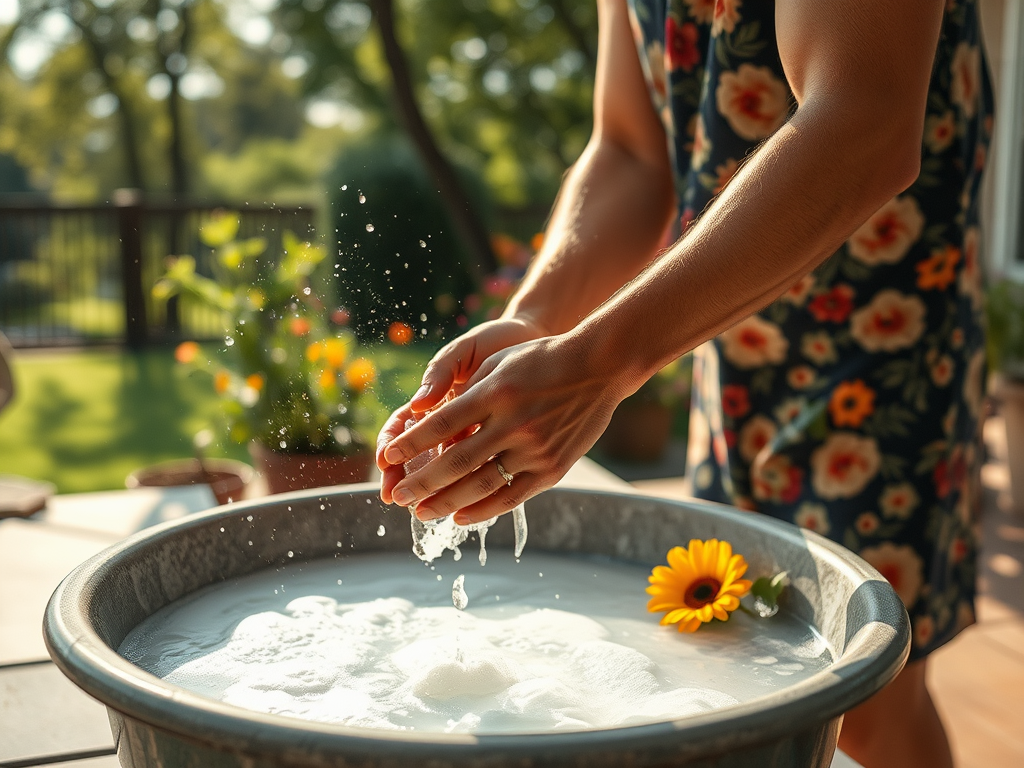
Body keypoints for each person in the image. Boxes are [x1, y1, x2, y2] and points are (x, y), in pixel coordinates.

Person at [376, 1, 992, 766]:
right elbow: (631, 151)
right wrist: (537, 325)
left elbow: (861, 120)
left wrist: (598, 365)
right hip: (720, 342)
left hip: (885, 334)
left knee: (863, 698)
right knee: (748, 656)